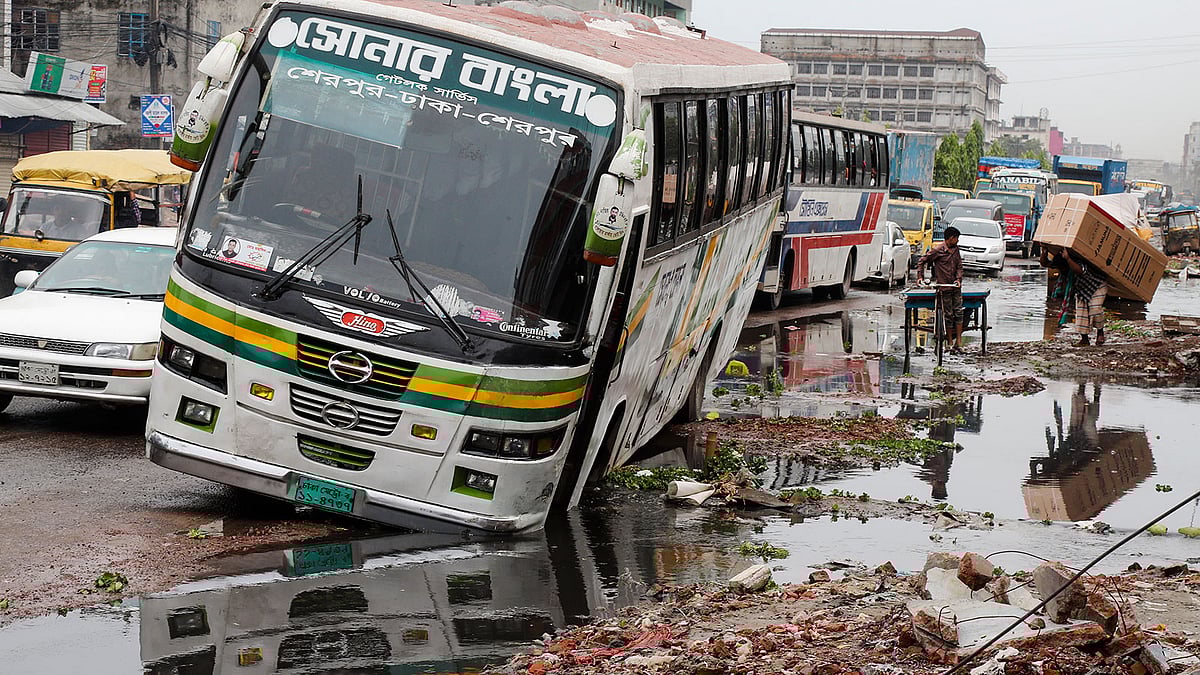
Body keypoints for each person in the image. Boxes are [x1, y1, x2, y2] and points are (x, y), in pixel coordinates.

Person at [915, 224, 964, 354]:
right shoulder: (938, 250)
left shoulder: (956, 250)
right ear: (951, 238)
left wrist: (958, 279)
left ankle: (959, 342)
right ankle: (949, 341)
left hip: (955, 287)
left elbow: (959, 266)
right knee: (948, 315)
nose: (957, 241)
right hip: (944, 287)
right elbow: (922, 261)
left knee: (959, 313)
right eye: (956, 238)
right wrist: (920, 277)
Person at [1051, 247, 1107, 346]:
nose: (1061, 270)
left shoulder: (1078, 263)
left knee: (1095, 309)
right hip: (1082, 292)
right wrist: (1044, 251)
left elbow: (1080, 271)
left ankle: (1100, 332)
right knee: (1081, 316)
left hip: (1097, 286)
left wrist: (1068, 258)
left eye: (1062, 268)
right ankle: (1084, 339)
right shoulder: (1064, 269)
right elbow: (1045, 263)